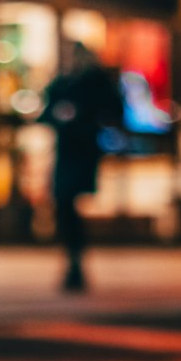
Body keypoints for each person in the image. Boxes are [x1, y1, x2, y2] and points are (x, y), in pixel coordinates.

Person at [43, 41, 123, 291]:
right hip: (69, 151)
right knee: (65, 204)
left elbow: (114, 111)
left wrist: (83, 117)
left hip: (82, 150)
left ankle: (76, 262)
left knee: (69, 202)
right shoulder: (63, 83)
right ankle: (74, 262)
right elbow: (45, 112)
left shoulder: (93, 82)